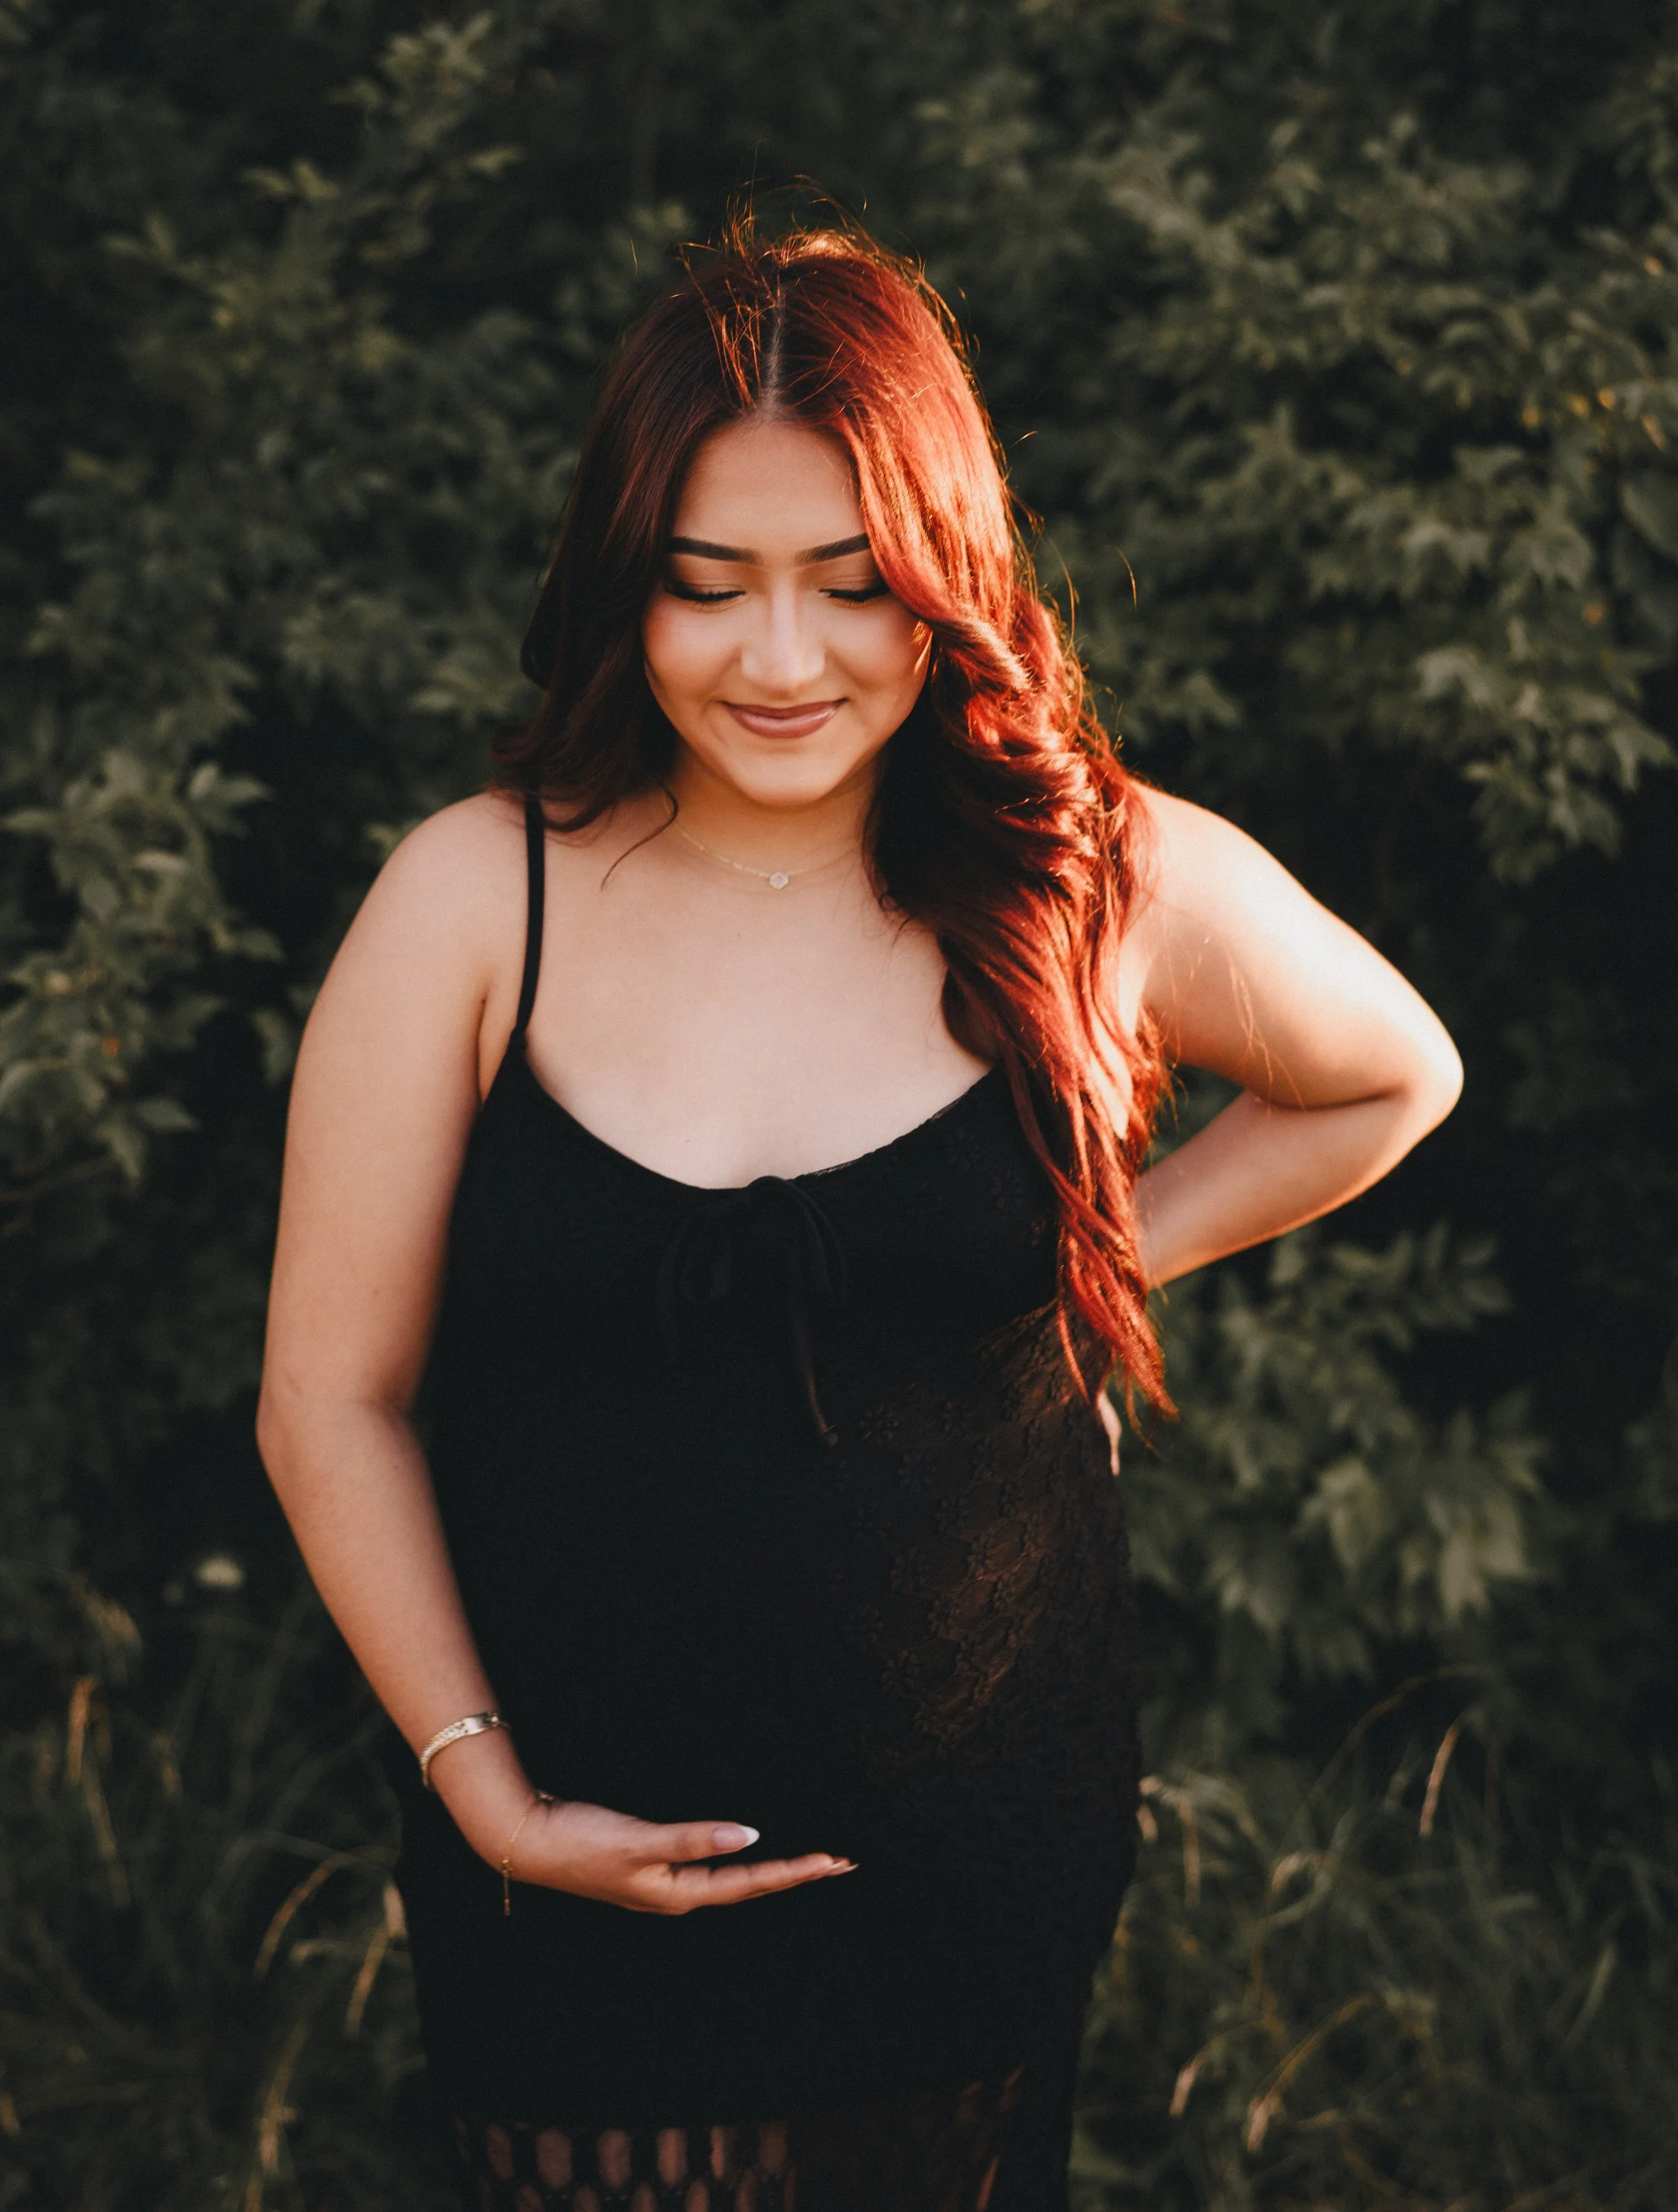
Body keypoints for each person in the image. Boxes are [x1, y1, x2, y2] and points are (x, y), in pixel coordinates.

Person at [256, 224, 1462, 2212]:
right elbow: (330, 1397)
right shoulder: (476, 899)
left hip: (974, 1859)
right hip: (567, 1873)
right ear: (618, 582)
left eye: (852, 584)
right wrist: (487, 1792)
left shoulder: (1087, 875)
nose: (782, 659)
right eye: (706, 585)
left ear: (948, 579)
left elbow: (1385, 1072)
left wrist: (1099, 1257)